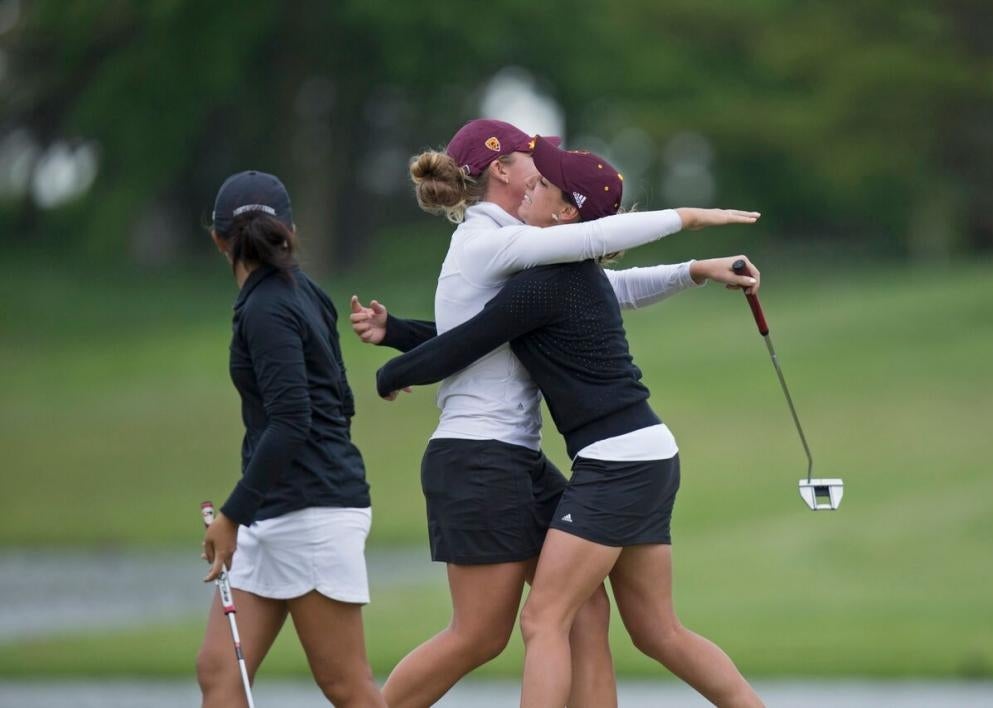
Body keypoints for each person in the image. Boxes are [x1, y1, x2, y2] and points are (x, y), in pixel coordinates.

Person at [350, 119, 760, 708]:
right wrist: (400, 351)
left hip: (554, 458)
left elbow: (496, 325)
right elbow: (480, 332)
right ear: (502, 171)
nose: (535, 182)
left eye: (545, 180)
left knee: (567, 616)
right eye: (533, 170)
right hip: (491, 456)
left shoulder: (540, 270)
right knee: (505, 631)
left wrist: (693, 265)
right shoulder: (502, 248)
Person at [196, 171, 385, 708]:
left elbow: (291, 421)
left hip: (311, 512)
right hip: (276, 509)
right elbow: (341, 402)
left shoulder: (266, 309)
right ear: (290, 232)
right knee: (219, 672)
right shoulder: (304, 293)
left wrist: (232, 513)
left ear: (218, 240)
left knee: (346, 685)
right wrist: (247, 512)